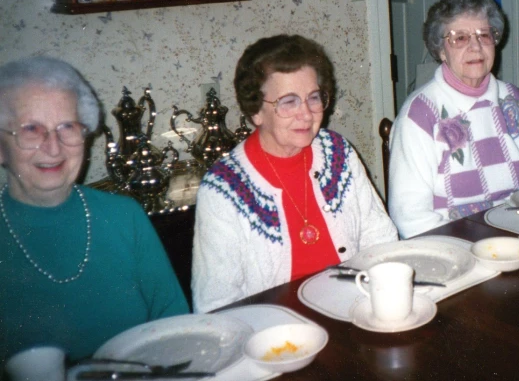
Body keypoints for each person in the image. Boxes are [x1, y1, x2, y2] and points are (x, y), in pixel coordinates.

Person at [0, 57, 188, 364]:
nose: (53, 147)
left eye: (67, 127)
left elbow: (177, 326)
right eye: (32, 129)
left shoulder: (125, 216)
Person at [192, 35, 398, 313]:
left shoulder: (338, 152)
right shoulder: (224, 188)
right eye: (288, 102)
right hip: (275, 336)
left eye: (313, 98)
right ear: (256, 112)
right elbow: (216, 304)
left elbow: (380, 238)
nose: (306, 114)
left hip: (357, 310)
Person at [389, 0, 519, 238]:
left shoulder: (512, 100)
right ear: (441, 50)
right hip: (457, 248)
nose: (476, 47)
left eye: (484, 35)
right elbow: (410, 217)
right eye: (460, 38)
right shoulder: (420, 114)